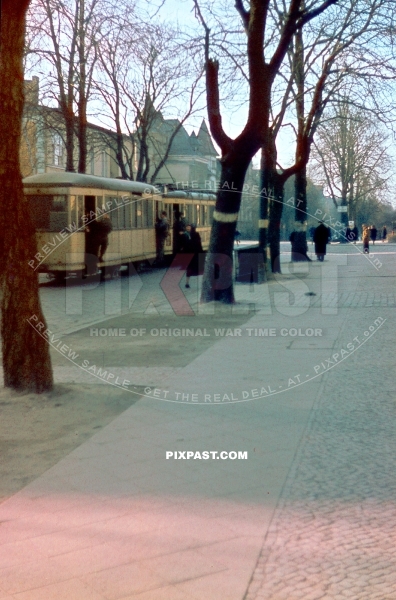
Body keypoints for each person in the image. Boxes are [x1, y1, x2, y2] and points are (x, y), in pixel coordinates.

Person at [181, 224, 204, 288]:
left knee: (192, 269)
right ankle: (188, 283)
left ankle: (188, 283)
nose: (188, 228)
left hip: (192, 255)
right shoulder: (188, 235)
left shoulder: (191, 235)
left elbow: (198, 244)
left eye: (189, 227)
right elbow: (199, 245)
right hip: (192, 255)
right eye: (187, 227)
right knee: (194, 269)